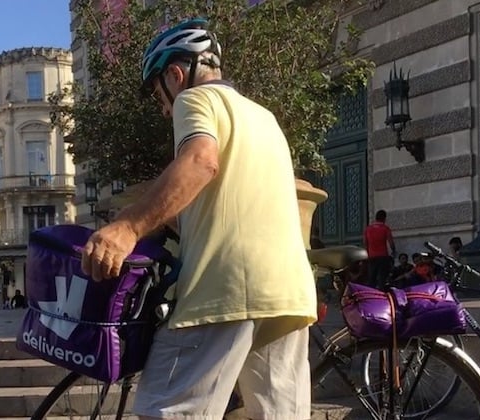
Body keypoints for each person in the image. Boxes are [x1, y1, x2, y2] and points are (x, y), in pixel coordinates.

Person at [80, 18, 316, 419]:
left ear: (176, 74)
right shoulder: (264, 118)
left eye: (159, 93)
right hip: (289, 293)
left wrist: (128, 227)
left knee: (166, 411)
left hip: (225, 290)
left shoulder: (195, 101)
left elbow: (201, 161)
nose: (164, 105)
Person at [363, 209, 396, 289]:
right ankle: (381, 294)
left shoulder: (368, 229)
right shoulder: (385, 228)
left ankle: (371, 294)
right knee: (382, 277)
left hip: (372, 256)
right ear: (384, 218)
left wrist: (367, 253)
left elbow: (365, 243)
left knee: (372, 277)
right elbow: (391, 242)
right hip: (383, 256)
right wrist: (394, 250)